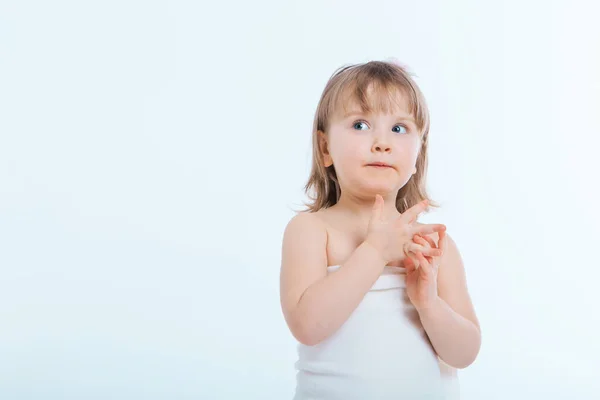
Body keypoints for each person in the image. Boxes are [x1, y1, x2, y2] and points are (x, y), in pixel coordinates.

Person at [279, 60, 481, 399]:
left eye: (399, 129)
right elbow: (307, 327)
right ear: (325, 147)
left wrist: (428, 303)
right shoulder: (312, 230)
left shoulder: (433, 244)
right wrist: (374, 252)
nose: (382, 143)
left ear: (418, 154)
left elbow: (465, 352)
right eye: (360, 124)